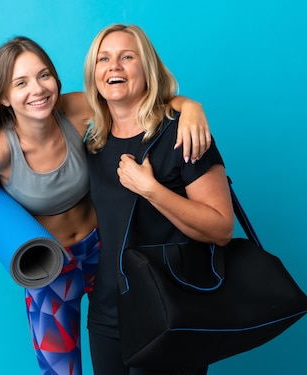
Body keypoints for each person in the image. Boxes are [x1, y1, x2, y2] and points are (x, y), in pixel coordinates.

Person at [0, 36, 210, 375]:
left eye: (43, 75)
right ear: (4, 97)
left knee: (139, 352)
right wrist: (7, 249)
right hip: (51, 268)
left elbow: (139, 101)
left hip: (105, 252)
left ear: (56, 80)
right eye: (21, 83)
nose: (37, 89)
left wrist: (190, 107)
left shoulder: (75, 110)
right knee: (60, 371)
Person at [83, 24, 235, 375]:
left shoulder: (183, 133)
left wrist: (151, 189)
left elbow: (222, 228)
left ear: (147, 67)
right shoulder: (93, 145)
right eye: (103, 59)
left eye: (126, 57)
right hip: (109, 314)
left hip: (174, 312)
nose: (114, 66)